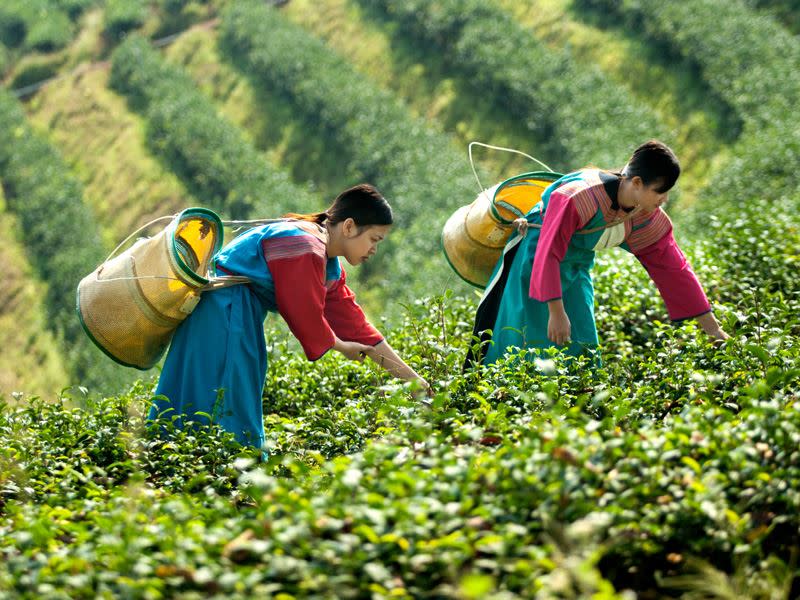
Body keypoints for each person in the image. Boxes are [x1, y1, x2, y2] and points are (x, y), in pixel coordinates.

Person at [149, 184, 430, 448]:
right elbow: (304, 314)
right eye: (373, 239)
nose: (374, 249)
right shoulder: (306, 246)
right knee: (224, 406)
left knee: (202, 399)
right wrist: (341, 346)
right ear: (348, 226)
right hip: (225, 315)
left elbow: (358, 328)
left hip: (228, 313)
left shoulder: (326, 262)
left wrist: (414, 381)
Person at [466, 140, 728, 367]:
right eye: (660, 192)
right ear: (637, 183)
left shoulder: (645, 216)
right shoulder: (579, 197)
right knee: (526, 336)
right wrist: (556, 312)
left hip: (575, 267)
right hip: (536, 263)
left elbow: (674, 270)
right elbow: (548, 251)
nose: (665, 200)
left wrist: (713, 330)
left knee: (582, 341)